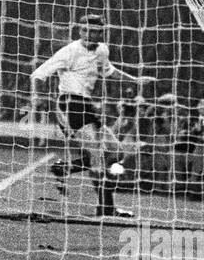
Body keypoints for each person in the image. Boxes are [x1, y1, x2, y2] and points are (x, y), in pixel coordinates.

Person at [29, 13, 155, 216]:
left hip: (87, 105)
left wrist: (136, 80)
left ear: (101, 33)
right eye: (85, 30)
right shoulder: (69, 52)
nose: (89, 34)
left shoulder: (102, 50)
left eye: (95, 31)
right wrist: (41, 99)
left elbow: (109, 71)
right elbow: (38, 74)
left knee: (116, 153)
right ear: (80, 31)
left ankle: (65, 168)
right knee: (96, 156)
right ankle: (105, 208)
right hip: (69, 104)